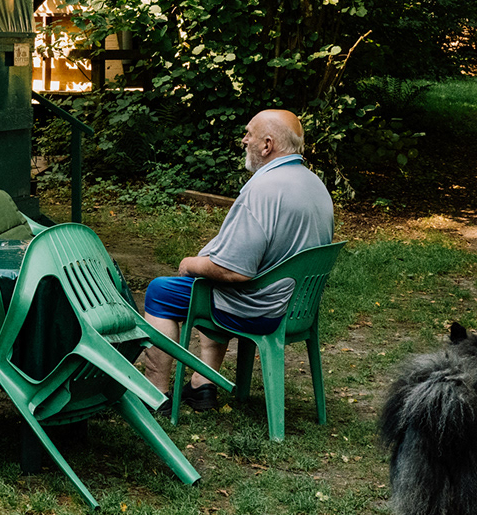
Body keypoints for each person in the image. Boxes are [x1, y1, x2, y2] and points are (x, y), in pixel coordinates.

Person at [140, 108, 335, 411]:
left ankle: (155, 393)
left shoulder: (263, 188)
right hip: (295, 306)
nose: (244, 140)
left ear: (267, 145)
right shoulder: (315, 185)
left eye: (249, 134)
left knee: (162, 291)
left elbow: (233, 271)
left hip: (258, 307)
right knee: (205, 285)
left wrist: (190, 264)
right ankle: (202, 385)